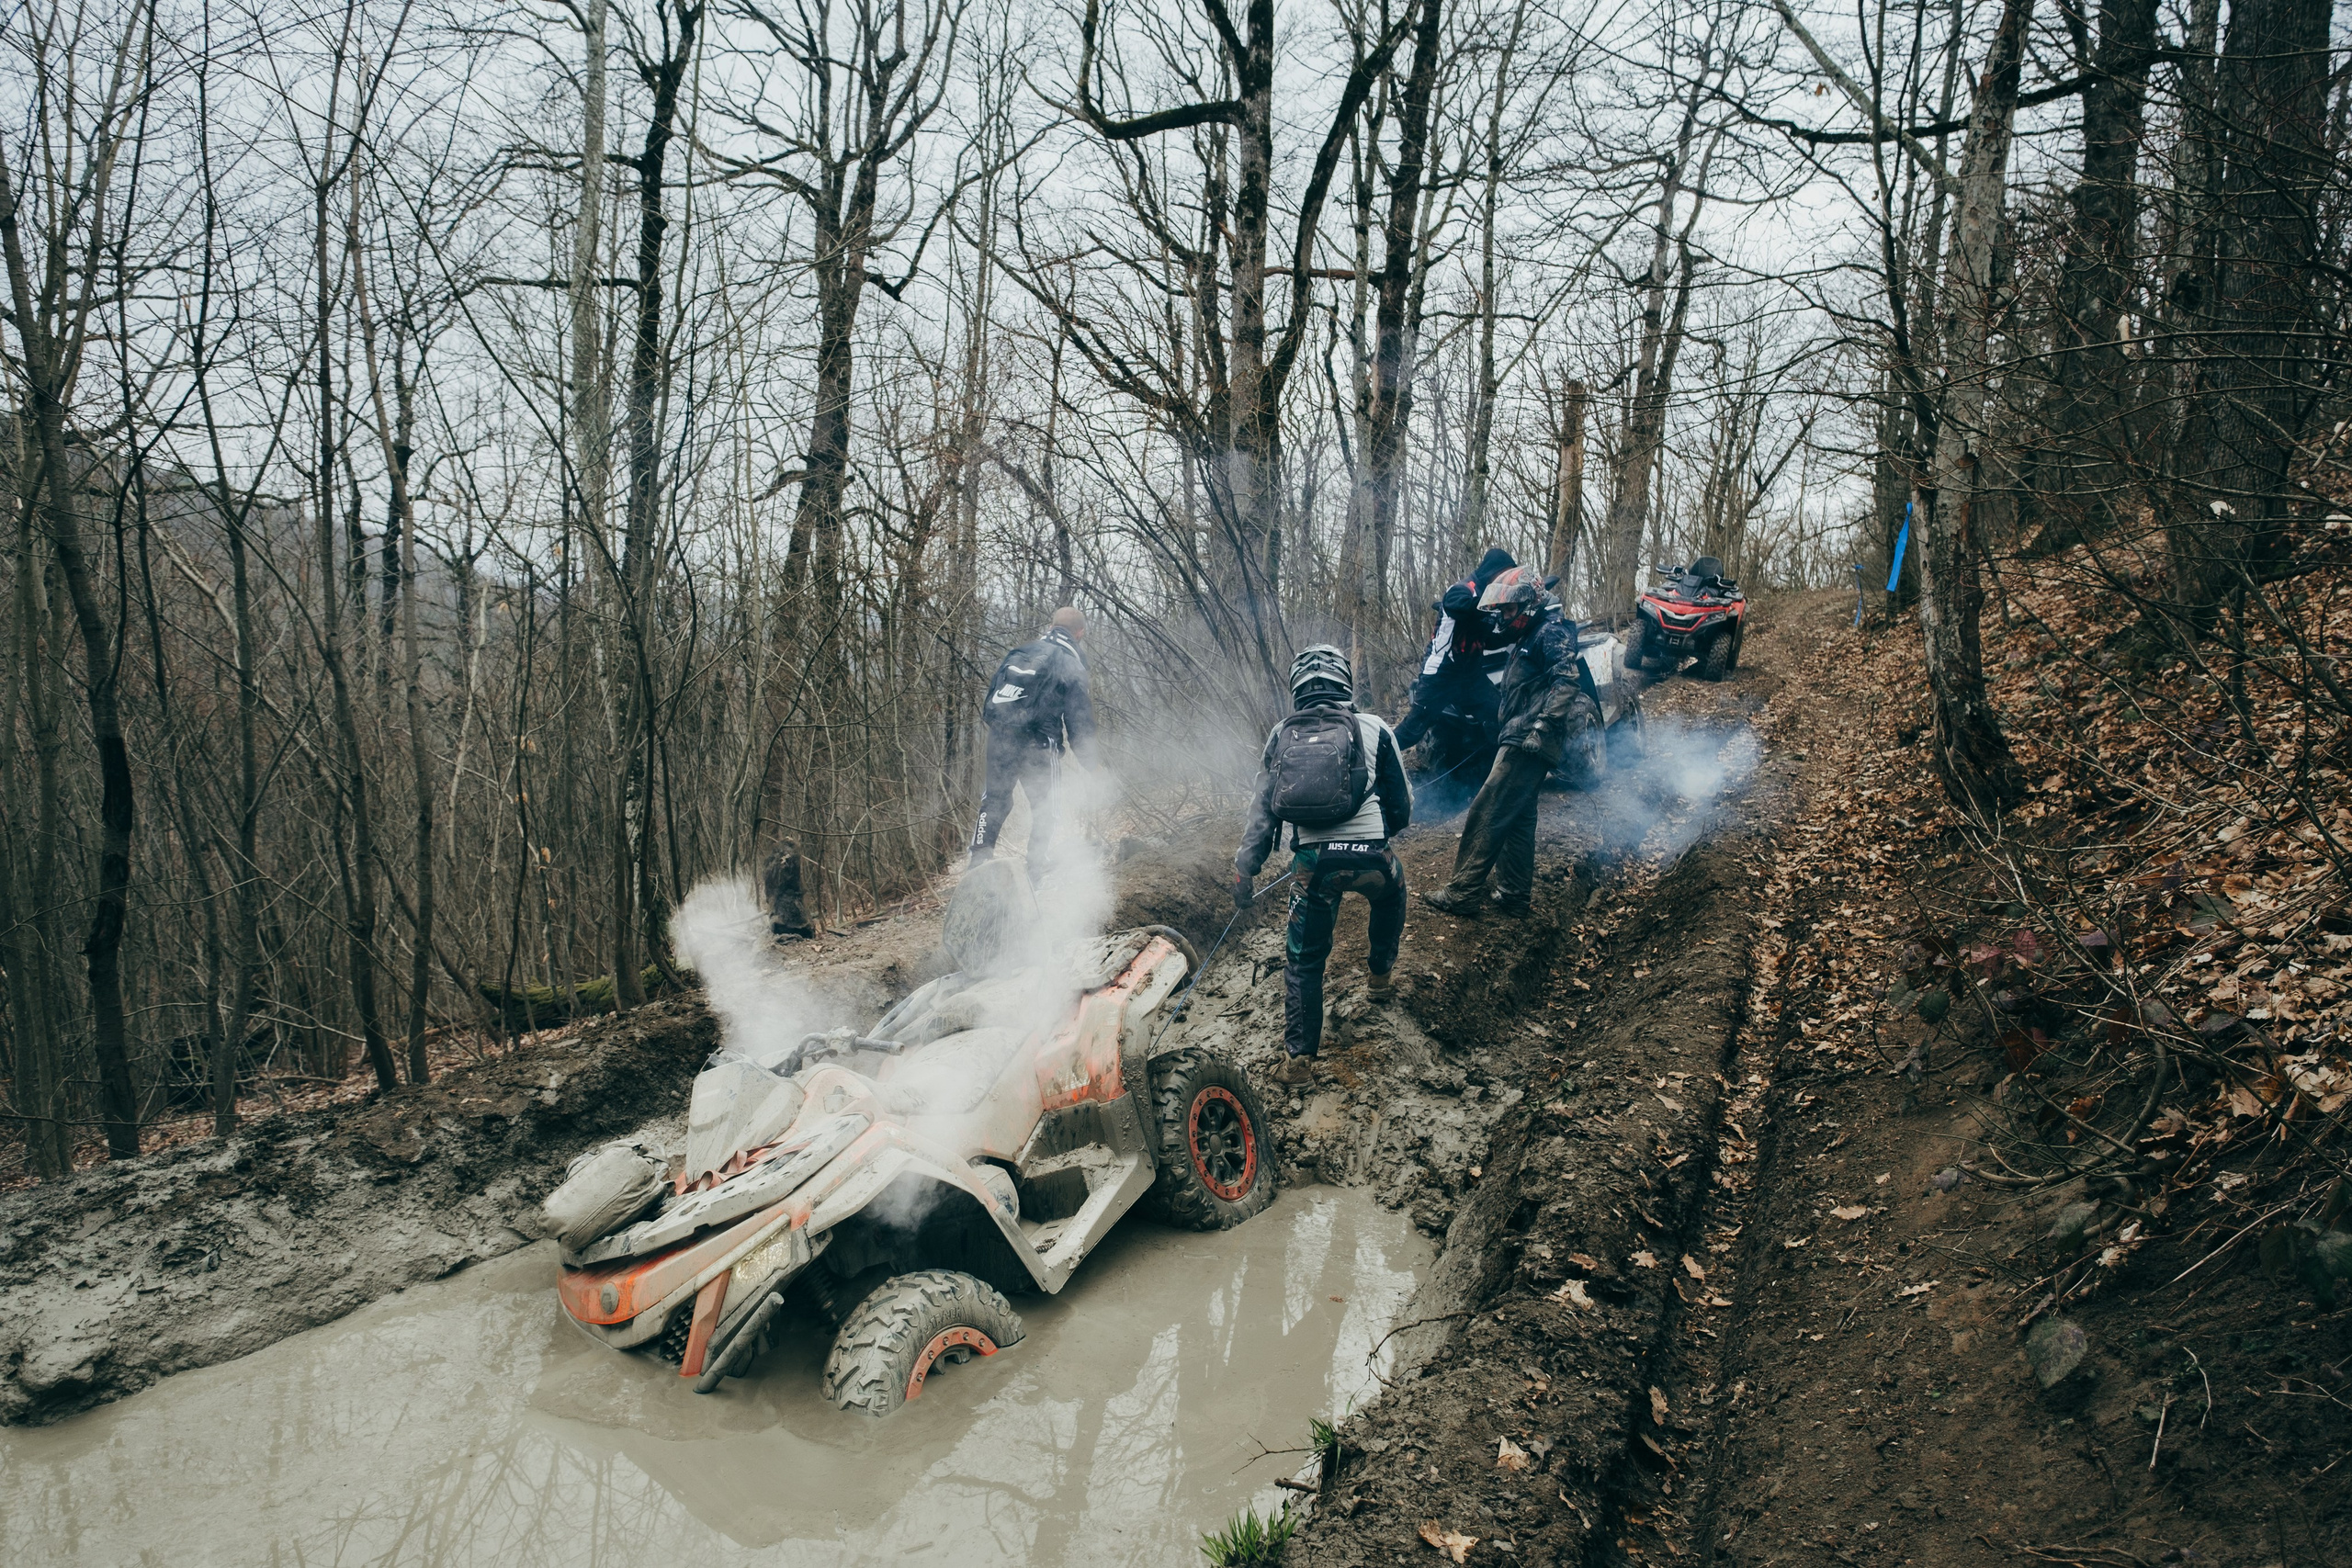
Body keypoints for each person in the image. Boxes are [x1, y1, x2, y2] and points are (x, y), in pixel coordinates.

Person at [1234, 645, 1414, 1087]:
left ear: (1296, 688)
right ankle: (1380, 977)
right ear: (1345, 684)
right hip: (1371, 855)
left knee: (1303, 961)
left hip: (1313, 865)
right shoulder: (1374, 727)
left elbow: (1262, 812)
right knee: (1392, 894)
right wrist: (1377, 835)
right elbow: (1403, 806)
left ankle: (1298, 1064)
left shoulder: (1280, 733)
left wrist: (1245, 869)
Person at [1420, 568, 1582, 918]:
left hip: (1529, 738)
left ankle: (1463, 892)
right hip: (1522, 734)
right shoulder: (1531, 635)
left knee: (1488, 809)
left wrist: (1541, 726)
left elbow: (1567, 682)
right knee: (1519, 818)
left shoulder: (1550, 632)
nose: (1504, 617)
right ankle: (1513, 894)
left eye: (1509, 611)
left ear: (1529, 604)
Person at [969, 606, 1097, 879]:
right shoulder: (1071, 663)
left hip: (1001, 736)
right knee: (1047, 807)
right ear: (1080, 633)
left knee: (995, 800)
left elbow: (993, 697)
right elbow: (1079, 722)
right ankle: (1036, 871)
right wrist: (1092, 764)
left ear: (1052, 627)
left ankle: (977, 863)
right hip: (1039, 742)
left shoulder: (1021, 652)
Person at [1394, 547, 1516, 818]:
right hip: (1441, 675)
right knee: (1412, 730)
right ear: (1495, 571)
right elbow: (1456, 606)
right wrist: (1488, 608)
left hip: (1470, 677)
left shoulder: (1488, 600)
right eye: (1504, 575)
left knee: (1499, 715)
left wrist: (1512, 628)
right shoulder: (1464, 589)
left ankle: (1500, 780)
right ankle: (1369, 756)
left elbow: (1492, 638)